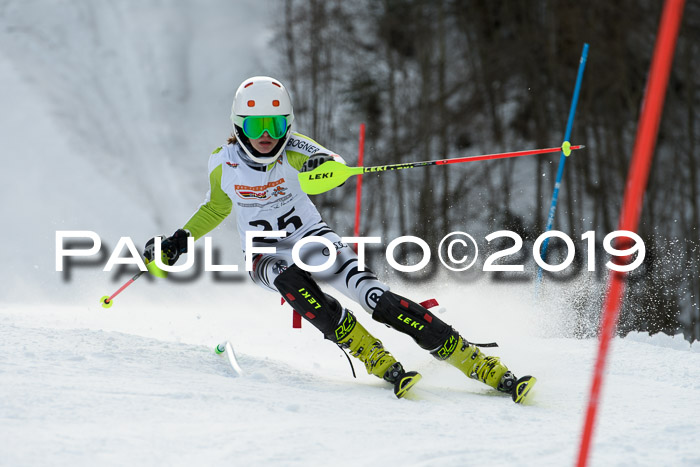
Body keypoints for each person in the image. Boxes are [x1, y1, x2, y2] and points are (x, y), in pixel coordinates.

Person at [144, 76, 534, 401]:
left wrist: (323, 166)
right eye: (256, 126)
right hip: (263, 254)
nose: (267, 136)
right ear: (237, 126)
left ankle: (476, 361)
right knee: (287, 278)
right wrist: (180, 238)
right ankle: (369, 352)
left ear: (288, 125)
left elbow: (330, 163)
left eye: (276, 126)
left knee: (375, 297)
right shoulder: (222, 165)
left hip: (312, 238)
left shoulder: (295, 148)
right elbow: (216, 207)